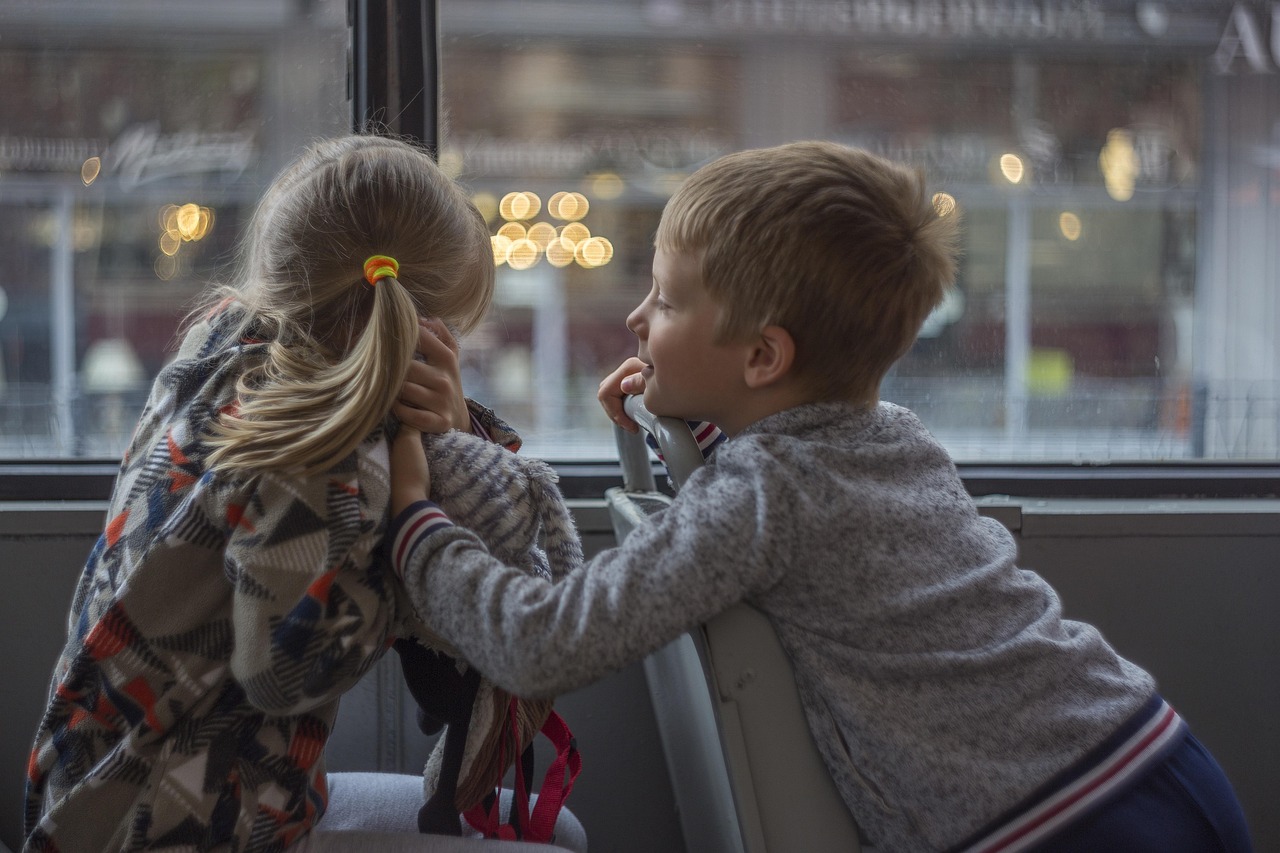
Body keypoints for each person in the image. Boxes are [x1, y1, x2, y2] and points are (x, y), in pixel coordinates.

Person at [387, 141, 1253, 852]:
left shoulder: (768, 494)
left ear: (763, 358)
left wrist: (418, 528)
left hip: (1070, 820)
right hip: (1149, 755)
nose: (637, 320)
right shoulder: (886, 434)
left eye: (667, 300)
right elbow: (759, 494)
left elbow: (545, 643)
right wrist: (657, 431)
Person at [23, 134, 585, 853]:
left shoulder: (219, 351)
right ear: (419, 339)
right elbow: (284, 673)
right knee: (558, 842)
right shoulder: (323, 450)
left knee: (551, 827)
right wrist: (414, 532)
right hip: (183, 825)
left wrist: (448, 439)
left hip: (94, 787)